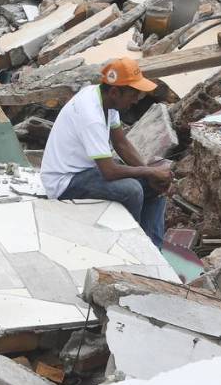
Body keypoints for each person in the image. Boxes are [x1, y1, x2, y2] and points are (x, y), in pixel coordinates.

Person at [40, 57, 173, 248]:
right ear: (115, 92)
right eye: (133, 94)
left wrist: (150, 175)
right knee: (132, 190)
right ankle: (133, 247)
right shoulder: (91, 116)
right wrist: (149, 171)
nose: (136, 100)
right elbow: (109, 171)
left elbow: (121, 143)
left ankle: (153, 248)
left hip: (87, 171)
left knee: (156, 186)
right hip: (65, 181)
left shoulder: (106, 101)